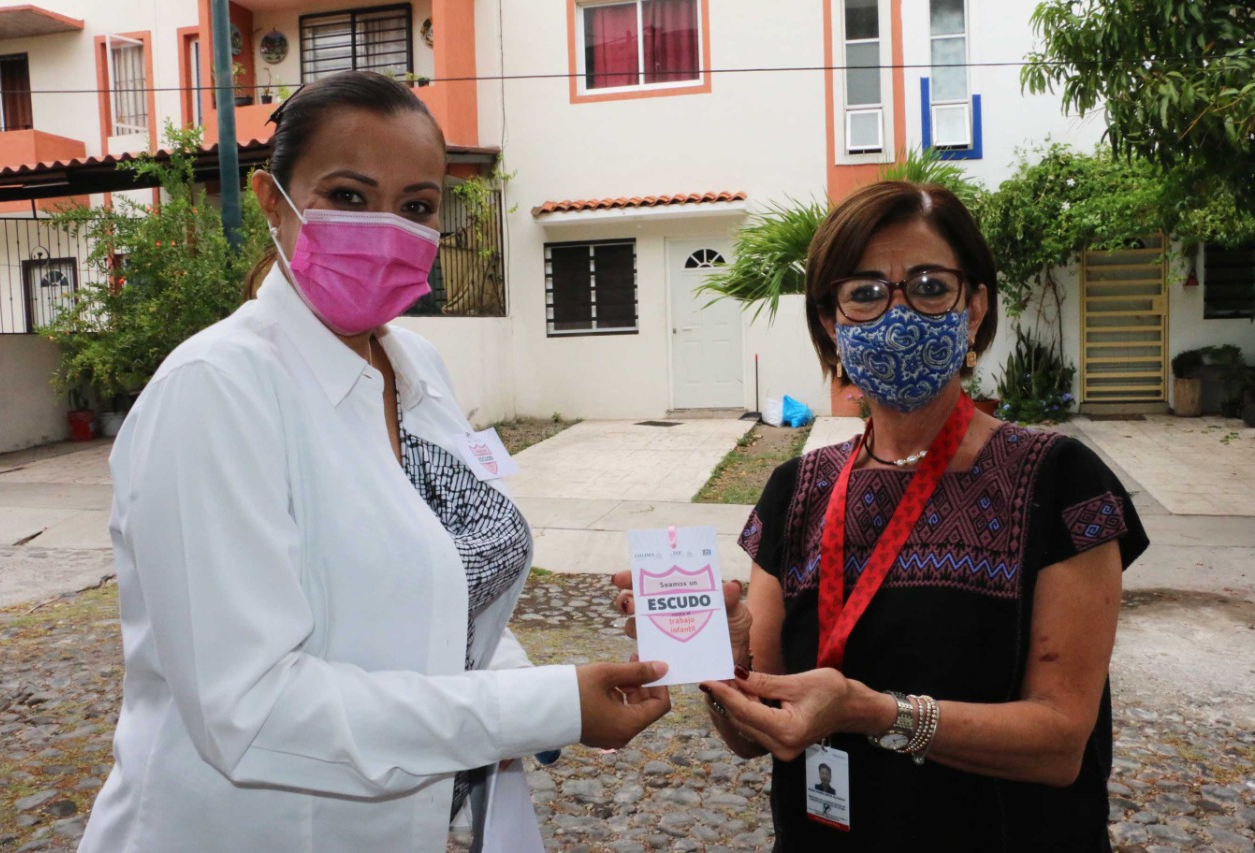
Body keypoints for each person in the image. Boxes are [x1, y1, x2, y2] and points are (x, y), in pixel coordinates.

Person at [79, 70, 670, 853]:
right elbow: (251, 710)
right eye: (349, 195)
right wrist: (547, 707)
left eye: (417, 206)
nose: (386, 227)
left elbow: (455, 598)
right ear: (271, 201)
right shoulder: (215, 390)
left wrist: (544, 695)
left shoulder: (418, 367)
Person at [619, 181, 1148, 850]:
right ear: (831, 323)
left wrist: (873, 713)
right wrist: (719, 658)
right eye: (865, 292)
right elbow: (756, 735)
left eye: (930, 286)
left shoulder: (1059, 482)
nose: (898, 314)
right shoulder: (796, 490)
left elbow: (1060, 741)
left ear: (974, 307)